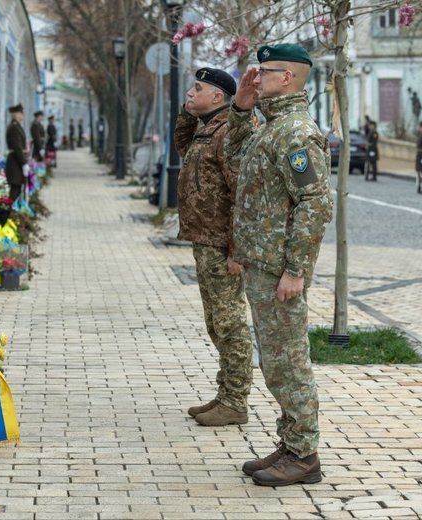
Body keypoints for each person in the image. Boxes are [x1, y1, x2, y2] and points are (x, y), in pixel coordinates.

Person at [224, 43, 333, 487]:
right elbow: (232, 160)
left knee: (289, 362)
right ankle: (290, 444)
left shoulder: (295, 133)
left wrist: (296, 269)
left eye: (264, 72)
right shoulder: (270, 128)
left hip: (278, 269)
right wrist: (239, 108)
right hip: (261, 264)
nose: (256, 77)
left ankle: (305, 454)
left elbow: (315, 203)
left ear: (287, 77)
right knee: (275, 361)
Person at [174, 67, 253, 427]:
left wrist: (238, 249)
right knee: (215, 322)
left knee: (230, 322)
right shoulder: (206, 129)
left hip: (223, 244)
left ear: (218, 97)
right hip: (205, 239)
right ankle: (224, 394)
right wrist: (186, 111)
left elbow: (241, 192)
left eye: (197, 88)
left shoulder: (227, 133)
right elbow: (181, 143)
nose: (190, 92)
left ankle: (236, 400)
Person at [5, 104, 27, 201]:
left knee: (17, 189)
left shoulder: (17, 126)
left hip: (16, 161)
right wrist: (24, 163)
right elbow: (17, 147)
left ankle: (14, 213)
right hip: (15, 162)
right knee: (14, 191)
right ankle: (12, 213)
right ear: (15, 114)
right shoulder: (14, 127)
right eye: (20, 113)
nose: (22, 115)